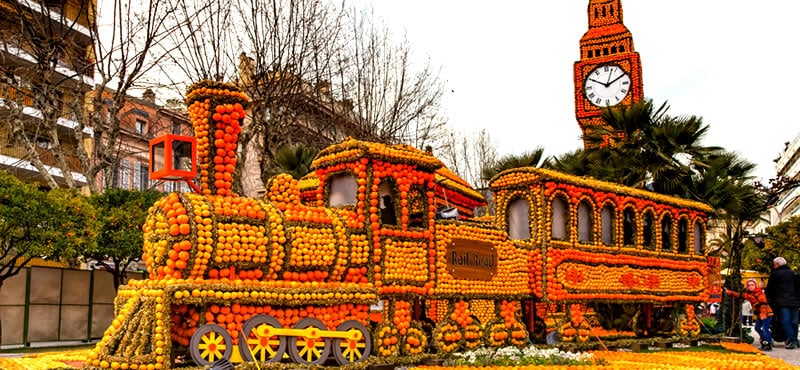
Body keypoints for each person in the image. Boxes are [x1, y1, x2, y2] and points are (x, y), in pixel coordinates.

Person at [726, 279, 773, 350]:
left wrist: (763, 314)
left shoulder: (759, 293)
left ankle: (767, 344)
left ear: (755, 285)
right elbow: (739, 295)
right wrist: (729, 292)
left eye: (752, 285)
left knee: (765, 328)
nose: (751, 286)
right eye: (749, 285)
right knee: (757, 328)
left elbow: (763, 303)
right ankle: (765, 340)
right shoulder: (748, 294)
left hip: (766, 313)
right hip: (759, 314)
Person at [766, 256, 800, 349]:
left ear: (777, 264)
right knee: (795, 321)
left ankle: (791, 340)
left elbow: (770, 289)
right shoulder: (794, 274)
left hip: (782, 301)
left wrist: (769, 300)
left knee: (786, 321)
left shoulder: (775, 274)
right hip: (795, 302)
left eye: (774, 264)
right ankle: (795, 340)